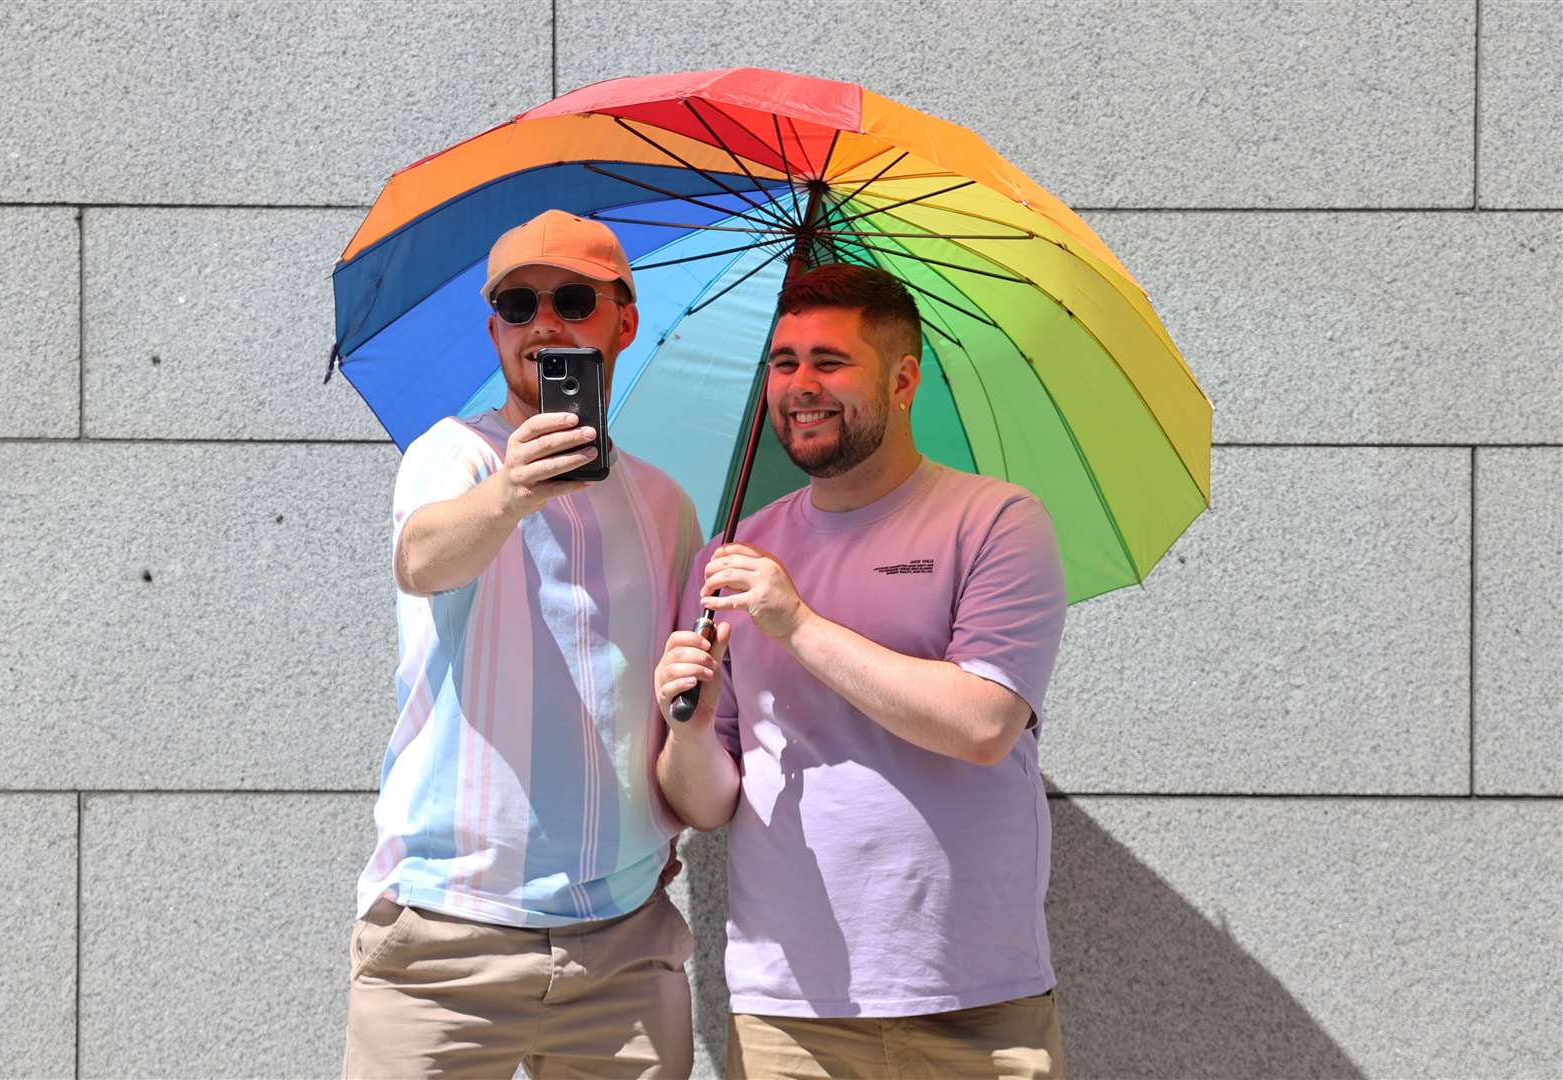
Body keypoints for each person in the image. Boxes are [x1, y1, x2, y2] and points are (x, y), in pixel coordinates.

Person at [655, 263, 1070, 1079]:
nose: (800, 385)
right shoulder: (735, 553)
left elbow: (983, 725)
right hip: (788, 1008)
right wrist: (691, 725)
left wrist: (797, 623)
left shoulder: (993, 522)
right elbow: (705, 803)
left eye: (830, 361)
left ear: (904, 378)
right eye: (783, 362)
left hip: (973, 999)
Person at [345, 209, 702, 1079]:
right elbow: (423, 559)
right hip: (445, 936)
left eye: (573, 299)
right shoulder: (456, 456)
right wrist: (511, 493)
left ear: (624, 320)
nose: (544, 323)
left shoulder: (664, 503)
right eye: (517, 304)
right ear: (495, 327)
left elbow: (668, 699)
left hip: (623, 944)